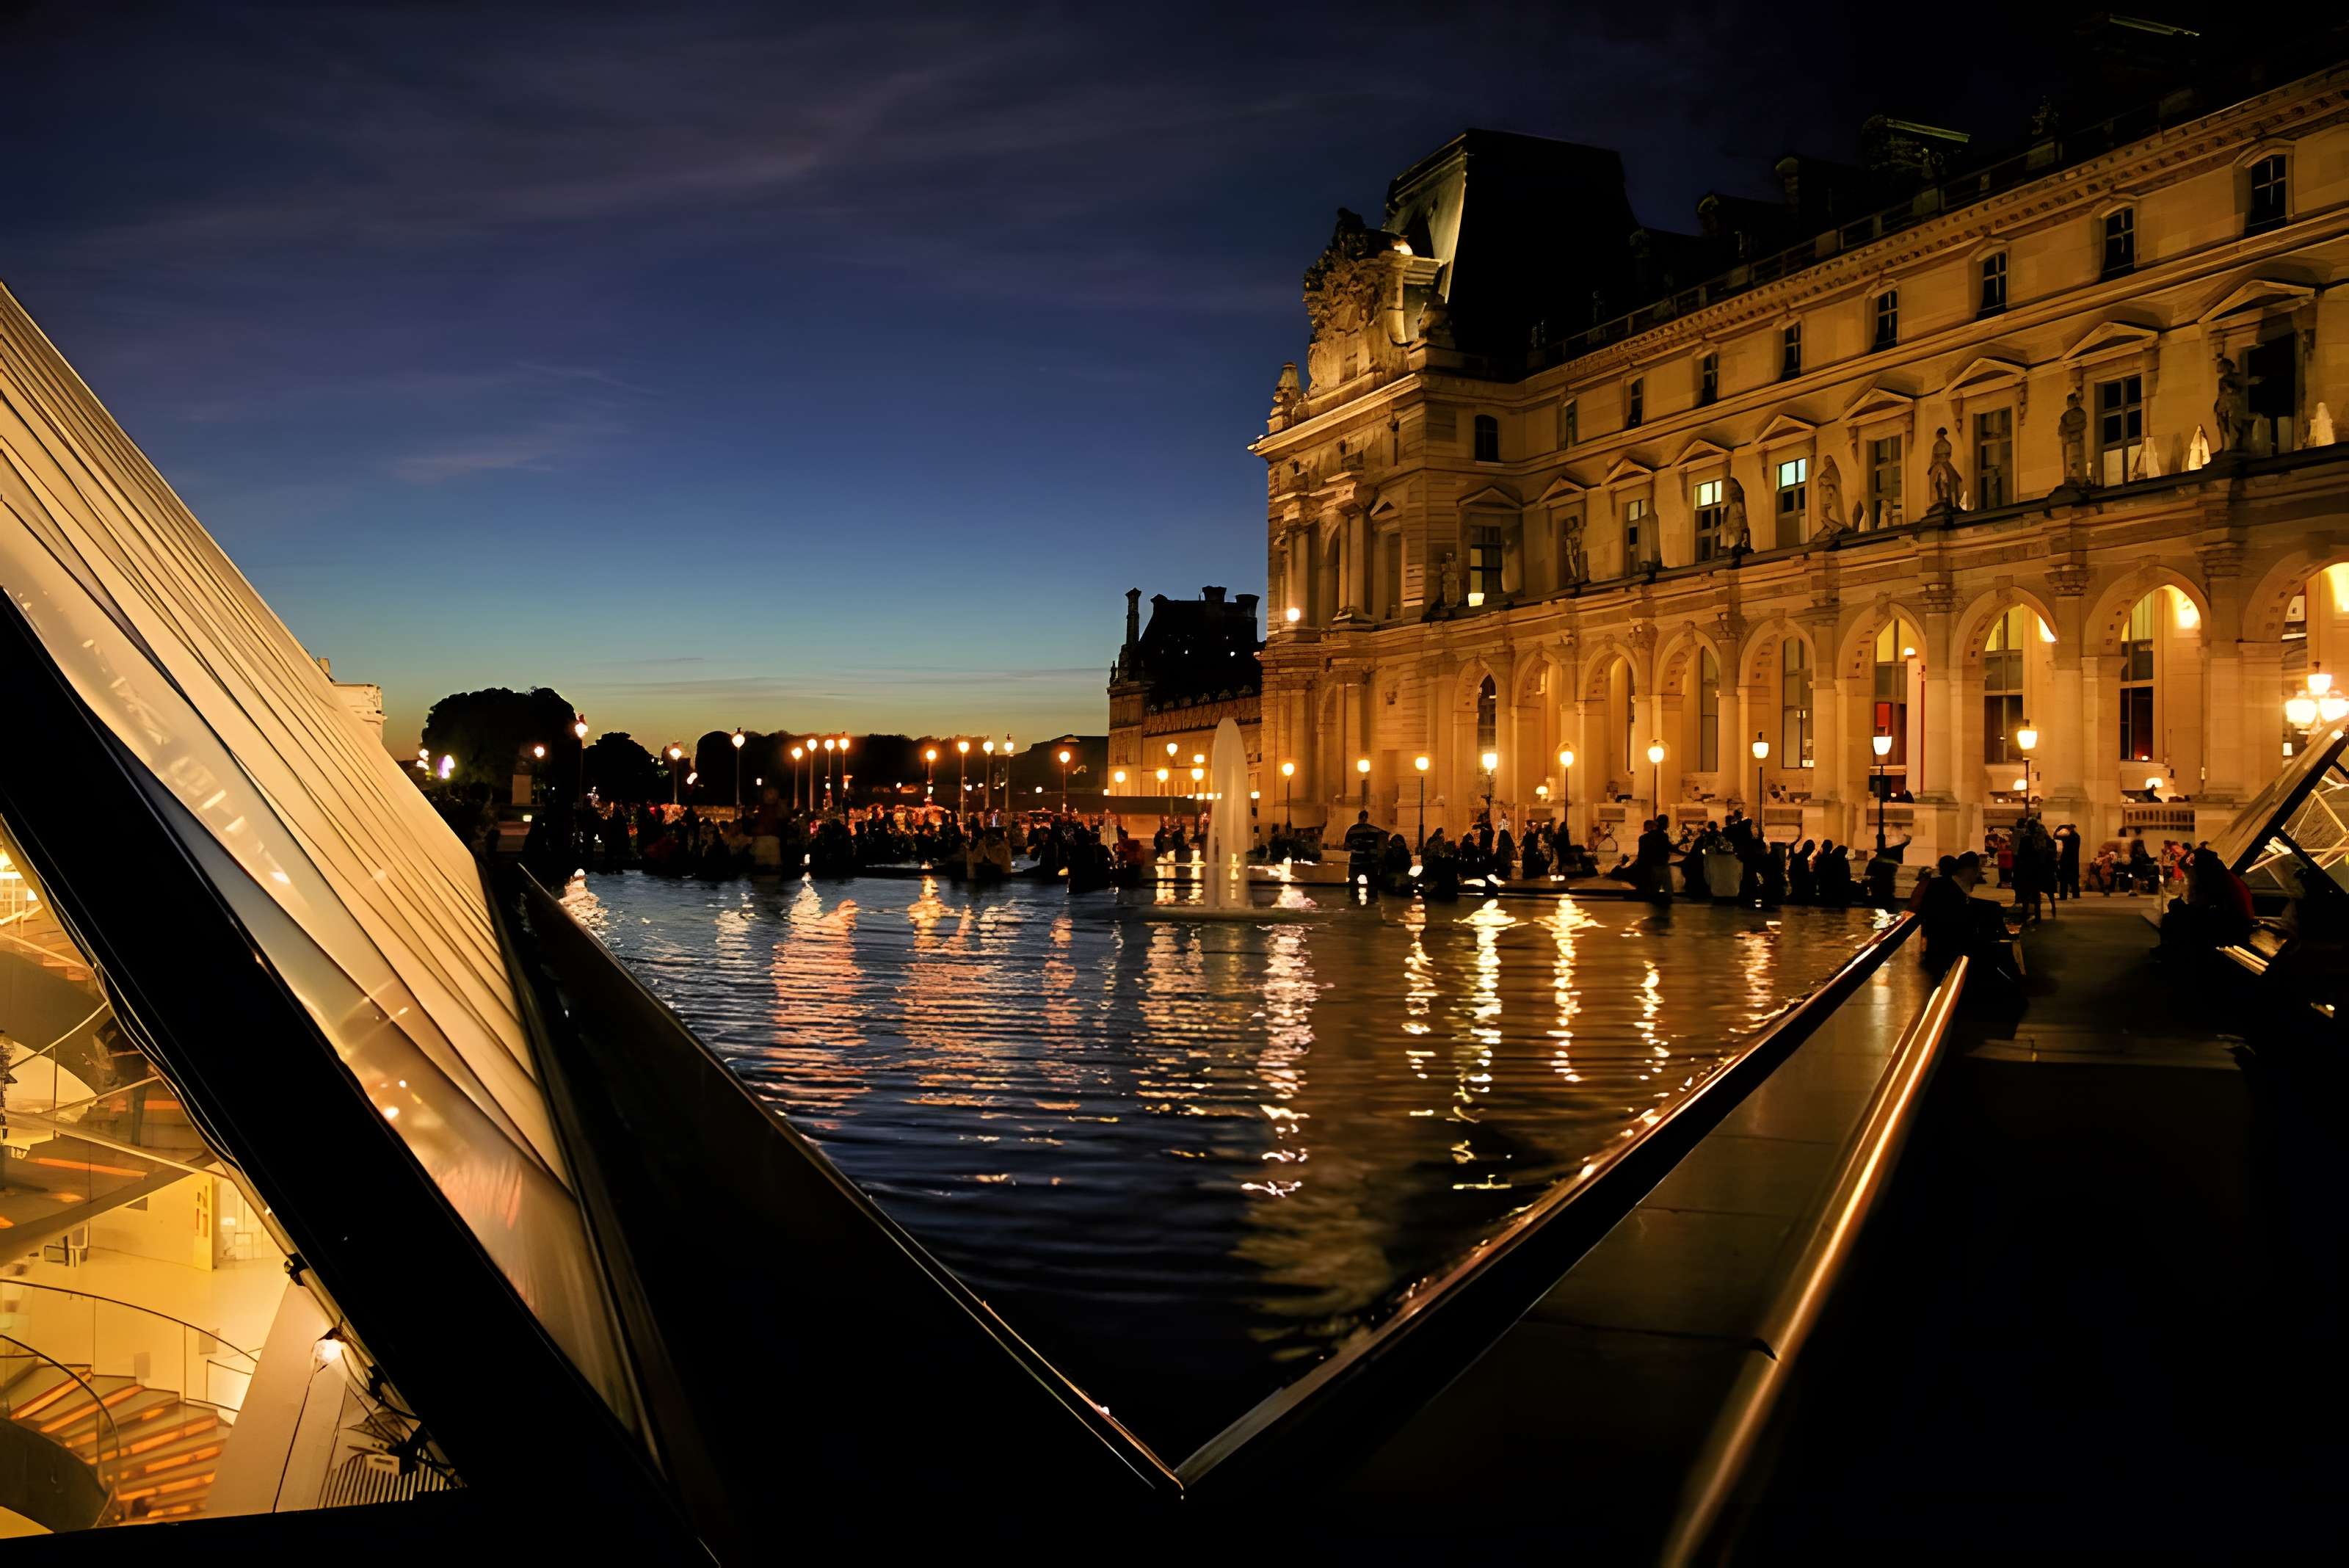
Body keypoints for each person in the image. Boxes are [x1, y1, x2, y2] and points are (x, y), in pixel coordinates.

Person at [1342, 809, 1384, 889]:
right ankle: (1372, 900)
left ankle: (1354, 900)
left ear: (1359, 817)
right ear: (1366, 818)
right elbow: (1382, 844)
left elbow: (1347, 846)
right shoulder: (1376, 830)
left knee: (1354, 883)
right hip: (1371, 861)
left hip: (1356, 861)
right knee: (1372, 884)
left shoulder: (1352, 830)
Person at [2054, 823, 2083, 901]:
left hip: (2064, 860)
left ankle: (2063, 895)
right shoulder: (2076, 836)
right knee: (2074, 878)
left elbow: (2058, 847)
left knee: (2064, 879)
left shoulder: (2062, 837)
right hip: (2074, 859)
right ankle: (2076, 894)